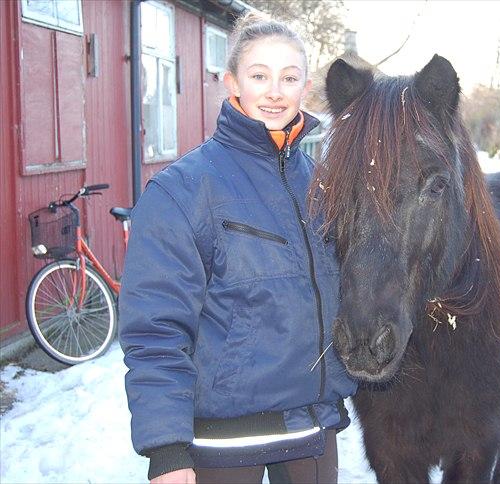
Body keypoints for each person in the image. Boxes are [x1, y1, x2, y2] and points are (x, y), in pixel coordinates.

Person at [119, 13, 357, 484]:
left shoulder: (326, 188)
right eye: (259, 75)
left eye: (289, 78)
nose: (275, 91)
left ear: (304, 87)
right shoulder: (182, 191)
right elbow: (155, 329)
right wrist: (166, 449)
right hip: (223, 445)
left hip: (310, 432)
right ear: (232, 82)